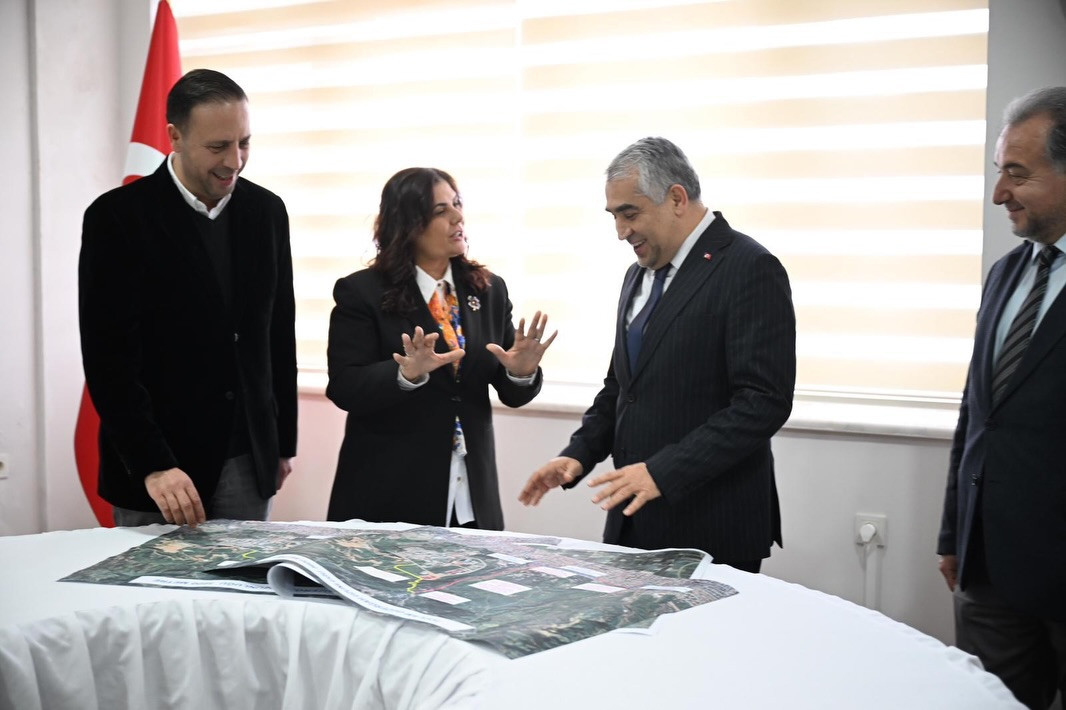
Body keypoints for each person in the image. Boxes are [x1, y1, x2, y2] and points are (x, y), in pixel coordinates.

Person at [519, 137, 796, 572]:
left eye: (630, 214)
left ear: (677, 199)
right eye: (614, 216)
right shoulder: (638, 274)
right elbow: (623, 388)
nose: (620, 231)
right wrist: (578, 453)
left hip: (713, 525)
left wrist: (662, 472)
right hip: (634, 521)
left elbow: (763, 403)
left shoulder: (750, 268)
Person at [79, 69, 297, 528]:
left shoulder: (268, 212)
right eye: (218, 147)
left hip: (248, 459)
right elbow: (109, 361)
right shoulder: (117, 218)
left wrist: (282, 444)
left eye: (244, 143)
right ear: (175, 137)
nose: (235, 161)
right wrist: (152, 463)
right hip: (160, 470)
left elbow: (278, 332)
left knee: (247, 578)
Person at [325, 167, 555, 530]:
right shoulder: (362, 292)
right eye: (440, 210)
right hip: (391, 488)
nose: (457, 217)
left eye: (457, 204)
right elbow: (345, 386)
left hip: (470, 489)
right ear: (408, 224)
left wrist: (521, 372)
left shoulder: (487, 290)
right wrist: (404, 374)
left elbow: (509, 390)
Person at [937, 86, 1066, 710]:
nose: (998, 194)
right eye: (998, 172)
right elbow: (977, 414)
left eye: (1018, 174)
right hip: (989, 570)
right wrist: (953, 533)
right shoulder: (1004, 274)